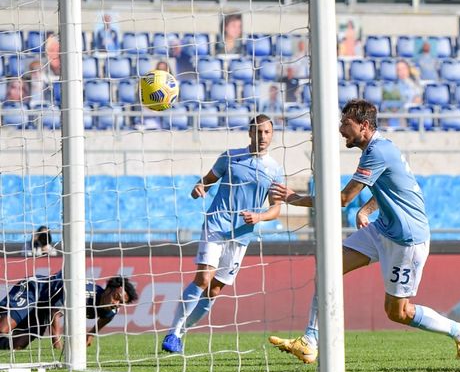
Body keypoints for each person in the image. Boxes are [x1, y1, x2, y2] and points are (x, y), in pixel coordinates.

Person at [268, 99, 460, 363]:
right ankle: (310, 341)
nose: (340, 129)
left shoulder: (378, 152)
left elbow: (344, 198)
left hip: (407, 239)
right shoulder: (380, 149)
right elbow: (392, 188)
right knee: (328, 266)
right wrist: (366, 210)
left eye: (346, 124)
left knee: (397, 312)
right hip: (383, 228)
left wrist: (295, 199)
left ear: (364, 126)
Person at [162, 115, 284, 353]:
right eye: (258, 132)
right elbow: (207, 181)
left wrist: (259, 217)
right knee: (203, 278)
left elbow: (276, 209)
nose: (262, 137)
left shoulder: (275, 169)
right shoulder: (230, 157)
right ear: (250, 133)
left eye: (267, 132)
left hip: (241, 234)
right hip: (217, 223)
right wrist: (199, 188)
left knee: (215, 289)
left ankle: (181, 330)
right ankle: (173, 333)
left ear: (272, 135)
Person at [0, 271, 138, 350]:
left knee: (18, 345)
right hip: (35, 290)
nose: (117, 304)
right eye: (116, 298)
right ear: (108, 289)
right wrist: (57, 343)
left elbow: (105, 319)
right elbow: (55, 312)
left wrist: (90, 335)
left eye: (121, 303)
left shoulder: (111, 310)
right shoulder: (83, 294)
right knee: (3, 328)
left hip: (45, 306)